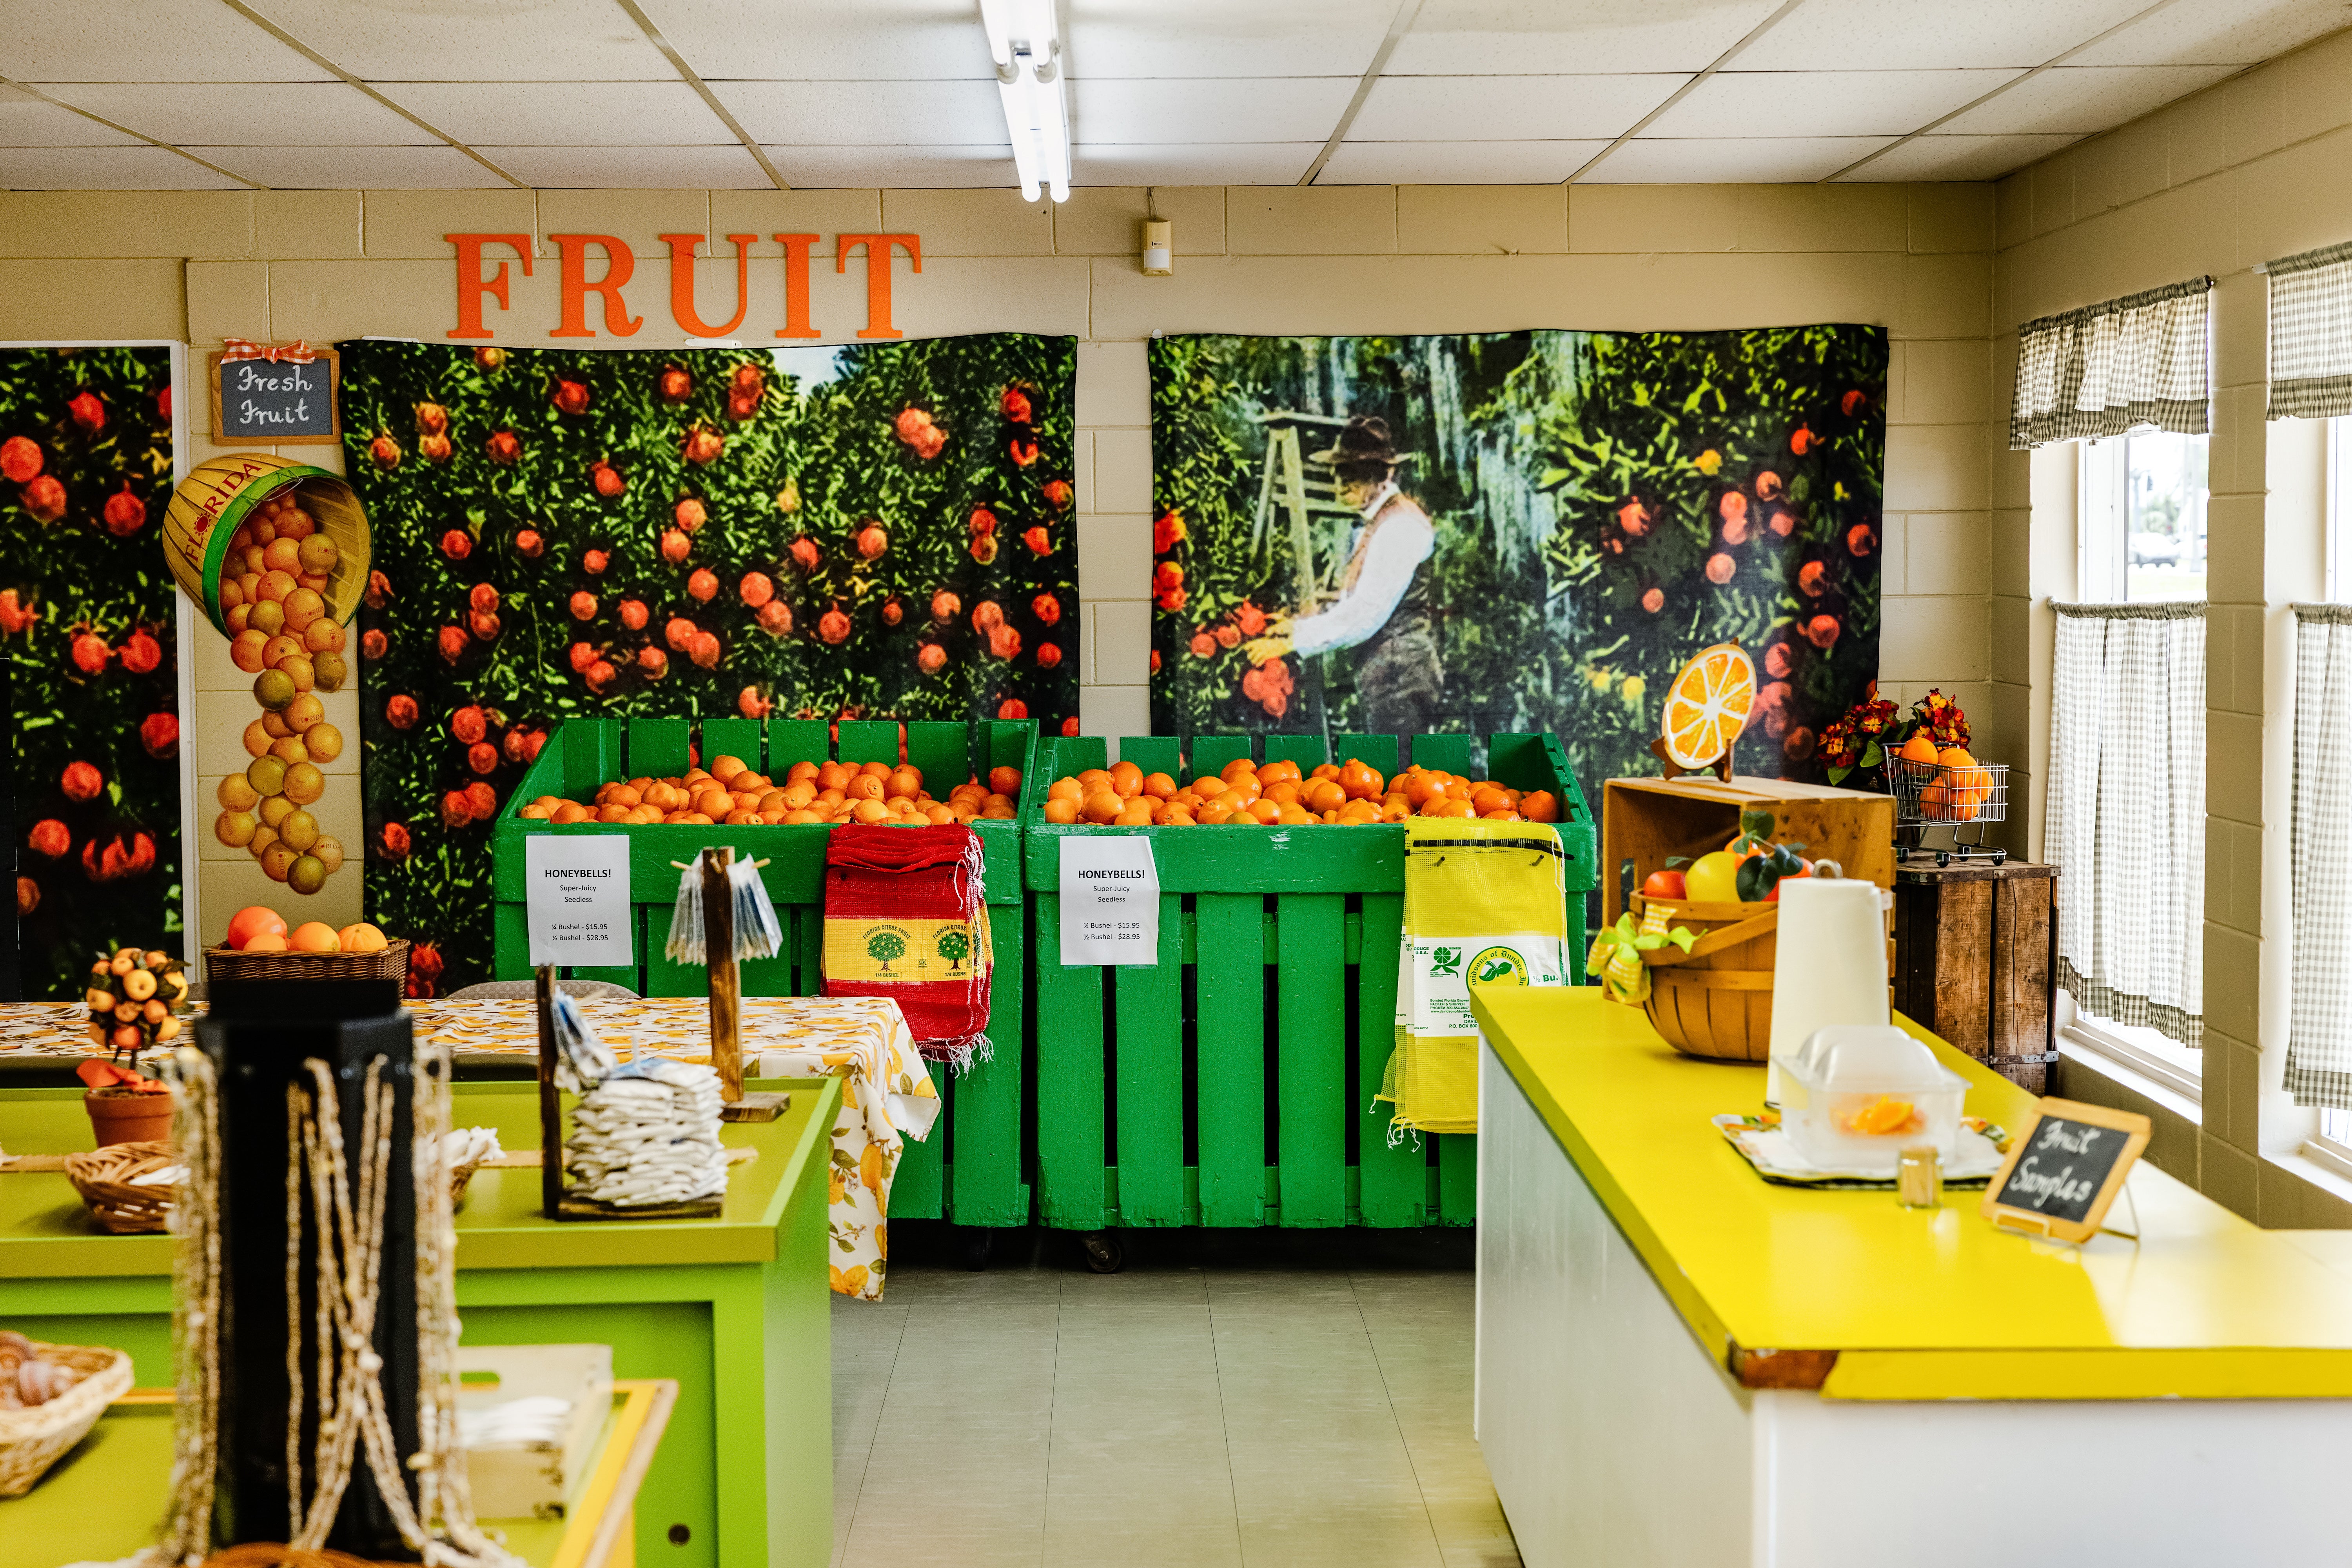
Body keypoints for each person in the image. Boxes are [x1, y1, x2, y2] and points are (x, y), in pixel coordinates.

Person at [1245, 414, 1444, 733]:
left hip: (1400, 674)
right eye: (1337, 473)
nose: (1340, 485)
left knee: (1401, 773)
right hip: (1388, 671)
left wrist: (1296, 640)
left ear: (1382, 475)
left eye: (1352, 474)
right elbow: (1356, 601)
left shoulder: (1400, 526)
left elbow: (1366, 613)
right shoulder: (1378, 521)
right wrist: (1298, 626)